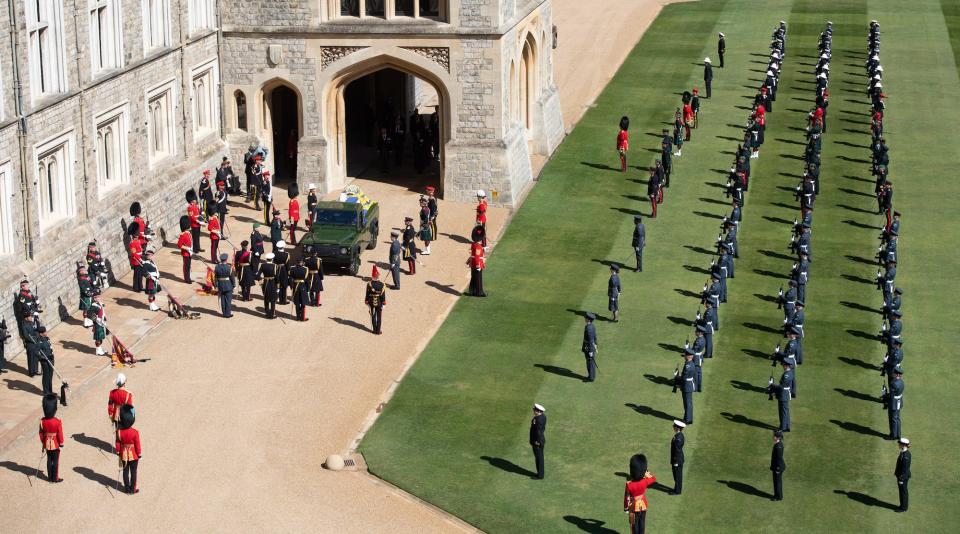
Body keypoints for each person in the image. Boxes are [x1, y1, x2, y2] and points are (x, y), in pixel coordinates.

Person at [623, 454, 656, 533]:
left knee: (634, 526)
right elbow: (653, 478)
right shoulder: (645, 481)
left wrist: (626, 508)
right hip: (643, 505)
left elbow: (626, 498)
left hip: (633, 506)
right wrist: (646, 471)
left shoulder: (629, 484)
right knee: (642, 524)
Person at [115, 404, 142, 494]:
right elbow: (137, 445)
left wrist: (118, 451)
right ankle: (132, 489)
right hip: (133, 454)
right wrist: (139, 454)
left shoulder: (118, 432)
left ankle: (126, 489)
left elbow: (118, 442)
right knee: (133, 472)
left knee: (125, 471)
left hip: (123, 454)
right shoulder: (134, 432)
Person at [39, 393, 64, 483]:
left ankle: (49, 477)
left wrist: (44, 442)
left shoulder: (42, 421)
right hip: (55, 444)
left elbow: (41, 434)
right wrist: (61, 443)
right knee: (56, 461)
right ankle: (55, 478)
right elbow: (60, 434)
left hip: (47, 444)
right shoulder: (57, 421)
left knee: (49, 460)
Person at [770, 358, 794, 432]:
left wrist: (772, 384)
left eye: (783, 365)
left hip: (783, 395)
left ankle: (782, 428)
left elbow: (781, 387)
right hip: (785, 394)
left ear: (786, 366)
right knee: (785, 411)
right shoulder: (790, 373)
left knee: (782, 412)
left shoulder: (786, 375)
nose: (782, 366)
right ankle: (787, 426)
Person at [365, 270, 387, 335]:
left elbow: (367, 293)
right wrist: (383, 301)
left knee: (373, 316)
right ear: (378, 277)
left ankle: (374, 330)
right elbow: (383, 295)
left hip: (371, 301)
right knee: (379, 316)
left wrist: (366, 300)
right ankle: (378, 331)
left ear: (373, 276)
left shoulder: (369, 284)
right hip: (379, 301)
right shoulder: (382, 284)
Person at [258, 252, 279, 319]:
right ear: (272, 259)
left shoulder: (263, 265)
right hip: (272, 283)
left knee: (266, 298)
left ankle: (267, 313)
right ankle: (272, 314)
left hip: (265, 283)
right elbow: (277, 277)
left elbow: (258, 275)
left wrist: (261, 283)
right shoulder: (275, 266)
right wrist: (278, 286)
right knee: (273, 299)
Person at [213, 254, 235, 318]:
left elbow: (216, 277)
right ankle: (228, 314)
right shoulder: (229, 268)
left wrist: (216, 285)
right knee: (228, 300)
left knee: (222, 300)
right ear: (226, 259)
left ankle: (224, 313)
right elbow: (232, 278)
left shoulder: (217, 267)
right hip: (228, 285)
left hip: (220, 285)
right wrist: (234, 285)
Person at [35, 326, 55, 395]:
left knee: (50, 375)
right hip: (45, 361)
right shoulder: (39, 342)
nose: (46, 332)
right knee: (46, 376)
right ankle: (46, 391)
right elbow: (36, 352)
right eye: (45, 332)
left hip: (50, 359)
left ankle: (50, 391)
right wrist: (42, 357)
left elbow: (50, 348)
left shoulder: (47, 339)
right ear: (41, 334)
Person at [886, 366, 904, 440]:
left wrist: (885, 395)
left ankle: (893, 435)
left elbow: (892, 395)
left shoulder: (893, 383)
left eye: (894, 373)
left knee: (893, 419)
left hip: (894, 403)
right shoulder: (901, 381)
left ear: (897, 374)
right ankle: (898, 434)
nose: (892, 373)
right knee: (897, 418)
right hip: (899, 401)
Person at [678, 348, 696, 424]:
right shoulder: (691, 363)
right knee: (688, 403)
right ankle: (688, 418)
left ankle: (687, 420)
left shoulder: (687, 366)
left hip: (687, 386)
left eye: (685, 355)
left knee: (687, 404)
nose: (684, 356)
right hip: (689, 384)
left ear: (689, 356)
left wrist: (677, 378)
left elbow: (684, 377)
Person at [288, 257, 309, 322]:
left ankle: (297, 317)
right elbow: (307, 280)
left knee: (297, 303)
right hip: (302, 287)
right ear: (301, 262)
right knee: (303, 303)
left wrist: (292, 287)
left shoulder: (292, 268)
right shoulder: (305, 269)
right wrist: (307, 289)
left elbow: (290, 279)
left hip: (295, 287)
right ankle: (302, 318)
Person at [529, 404, 546, 480]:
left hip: (537, 442)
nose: (533, 411)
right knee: (540, 457)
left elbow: (538, 432)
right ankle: (540, 473)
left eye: (534, 410)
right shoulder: (543, 417)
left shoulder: (537, 420)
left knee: (539, 458)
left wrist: (537, 441)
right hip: (540, 440)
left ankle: (540, 475)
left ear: (538, 411)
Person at [895, 438, 911, 512]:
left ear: (904, 445)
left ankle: (903, 508)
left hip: (903, 477)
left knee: (903, 492)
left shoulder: (905, 456)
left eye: (900, 444)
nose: (898, 445)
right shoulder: (903, 452)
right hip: (901, 476)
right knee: (902, 491)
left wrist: (901, 479)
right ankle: (902, 505)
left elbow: (904, 469)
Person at [128, 223, 144, 293]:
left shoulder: (138, 241)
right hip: (136, 260)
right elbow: (134, 253)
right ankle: (136, 287)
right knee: (137, 274)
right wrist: (139, 259)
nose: (137, 236)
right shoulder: (132, 243)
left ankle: (140, 286)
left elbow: (140, 249)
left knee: (140, 274)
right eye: (136, 235)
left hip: (140, 258)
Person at [671, 420, 686, 495]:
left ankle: (677, 491)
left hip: (677, 460)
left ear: (678, 428)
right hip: (677, 459)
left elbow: (677, 451)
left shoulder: (678, 438)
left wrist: (676, 462)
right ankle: (676, 489)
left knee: (677, 476)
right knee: (676, 475)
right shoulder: (678, 436)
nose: (673, 427)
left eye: (674, 426)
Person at [582, 313, 598, 382]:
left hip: (589, 348)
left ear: (588, 319)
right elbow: (595, 337)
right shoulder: (592, 326)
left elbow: (591, 339)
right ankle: (592, 376)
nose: (585, 318)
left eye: (586, 318)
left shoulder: (588, 328)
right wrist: (596, 345)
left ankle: (591, 378)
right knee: (590, 362)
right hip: (590, 346)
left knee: (590, 362)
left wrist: (591, 350)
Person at [274, 241, 291, 305]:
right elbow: (288, 265)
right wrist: (289, 273)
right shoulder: (286, 254)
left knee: (277, 284)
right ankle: (283, 300)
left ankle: (276, 298)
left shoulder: (274, 253)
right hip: (284, 270)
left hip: (276, 269)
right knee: (284, 285)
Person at [177, 217, 193, 283]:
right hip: (186, 253)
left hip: (189, 252)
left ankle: (188, 277)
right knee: (186, 267)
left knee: (189, 266)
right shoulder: (183, 235)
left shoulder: (188, 233)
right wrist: (187, 248)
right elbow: (179, 245)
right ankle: (186, 279)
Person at [771, 430, 785, 501]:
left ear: (778, 438)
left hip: (778, 468)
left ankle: (778, 496)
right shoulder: (778, 444)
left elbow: (779, 459)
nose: (773, 437)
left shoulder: (778, 447)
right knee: (776, 481)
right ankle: (777, 494)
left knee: (777, 482)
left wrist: (778, 469)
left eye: (775, 436)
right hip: (776, 467)